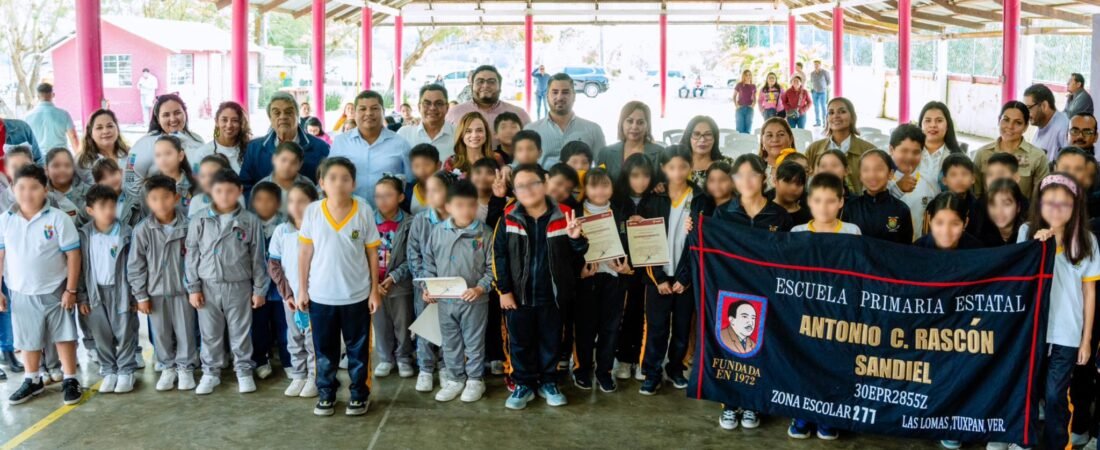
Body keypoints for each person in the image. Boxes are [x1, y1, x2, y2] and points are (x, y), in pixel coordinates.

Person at [1014, 173, 1099, 450]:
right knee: (1028, 389)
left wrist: (1086, 340)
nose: (1056, 209)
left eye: (1064, 203)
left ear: (1075, 206)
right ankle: (1022, 441)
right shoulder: (1028, 231)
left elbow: (1089, 293)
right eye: (1049, 202)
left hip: (1067, 333)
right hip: (1034, 328)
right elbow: (1019, 278)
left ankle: (1057, 443)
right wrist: (1037, 247)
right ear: (1039, 204)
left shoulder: (1087, 241)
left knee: (1055, 394)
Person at [493, 164, 587, 410]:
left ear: (545, 183)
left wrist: (576, 240)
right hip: (518, 297)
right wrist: (504, 290)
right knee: (520, 342)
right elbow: (498, 256)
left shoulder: (566, 215)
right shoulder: (508, 216)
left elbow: (577, 259)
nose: (528, 190)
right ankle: (523, 383)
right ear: (515, 190)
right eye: (521, 186)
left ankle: (548, 382)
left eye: (533, 183)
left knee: (551, 341)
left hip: (553, 298)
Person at [296, 157, 382, 417]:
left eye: (345, 178)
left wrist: (374, 290)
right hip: (321, 296)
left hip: (356, 295)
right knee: (324, 351)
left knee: (358, 350)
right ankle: (326, 393)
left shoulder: (363, 210)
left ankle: (359, 394)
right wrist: (302, 289)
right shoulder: (312, 211)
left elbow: (371, 253)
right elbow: (304, 253)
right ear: (321, 182)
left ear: (353, 183)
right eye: (332, 177)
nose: (339, 183)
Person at [0, 164, 83, 406]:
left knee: (64, 335)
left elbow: (73, 255)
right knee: (27, 338)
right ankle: (32, 379)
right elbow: (1, 255)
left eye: (34, 187)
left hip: (56, 289)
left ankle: (70, 378)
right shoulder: (5, 220)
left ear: (45, 189)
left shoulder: (58, 218)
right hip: (20, 290)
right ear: (13, 189)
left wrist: (71, 289)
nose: (27, 193)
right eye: (21, 187)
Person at [784, 171, 856, 439]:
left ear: (840, 202)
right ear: (808, 202)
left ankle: (828, 417)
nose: (823, 207)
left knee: (833, 364)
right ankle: (802, 414)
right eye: (817, 200)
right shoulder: (797, 232)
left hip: (838, 314)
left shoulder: (852, 233)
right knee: (803, 364)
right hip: (804, 312)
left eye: (829, 201)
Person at [184, 169, 269, 395]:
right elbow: (191, 255)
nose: (224, 196)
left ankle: (243, 371)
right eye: (218, 191)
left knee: (240, 331)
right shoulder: (200, 219)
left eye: (230, 191)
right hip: (207, 285)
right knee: (210, 332)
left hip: (239, 284)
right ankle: (211, 372)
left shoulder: (249, 221)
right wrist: (193, 287)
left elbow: (258, 257)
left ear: (240, 191)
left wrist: (259, 289)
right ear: (210, 192)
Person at [639, 145, 715, 396]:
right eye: (672, 167)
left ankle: (675, 368)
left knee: (682, 327)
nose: (678, 171)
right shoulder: (654, 199)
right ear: (663, 169)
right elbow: (645, 241)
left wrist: (686, 278)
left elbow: (701, 243)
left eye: (683, 166)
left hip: (685, 277)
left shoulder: (701, 199)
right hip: (658, 276)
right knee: (657, 328)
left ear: (691, 166)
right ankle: (652, 373)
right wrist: (658, 278)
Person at [421, 179, 494, 403]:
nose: (466, 210)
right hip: (445, 302)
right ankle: (455, 378)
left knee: (474, 341)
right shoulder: (437, 232)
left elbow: (493, 268)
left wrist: (481, 288)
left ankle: (474, 380)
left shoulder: (485, 233)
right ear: (449, 206)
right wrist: (427, 287)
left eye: (471, 205)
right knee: (450, 341)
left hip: (474, 301)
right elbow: (428, 263)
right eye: (459, 205)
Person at [128, 174, 198, 391]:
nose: (161, 203)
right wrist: (141, 295)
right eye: (154, 198)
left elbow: (197, 259)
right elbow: (135, 265)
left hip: (183, 291)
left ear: (176, 197)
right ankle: (168, 367)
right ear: (148, 201)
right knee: (161, 333)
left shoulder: (189, 226)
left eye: (166, 197)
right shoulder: (142, 230)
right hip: (155, 293)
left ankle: (186, 368)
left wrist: (194, 287)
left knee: (186, 331)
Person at [573, 167, 632, 393]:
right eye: (594, 185)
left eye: (605, 185)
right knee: (585, 327)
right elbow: (568, 249)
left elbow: (629, 246)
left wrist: (628, 267)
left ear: (612, 187)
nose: (600, 190)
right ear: (585, 188)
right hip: (587, 279)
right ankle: (582, 370)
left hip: (614, 279)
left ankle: (604, 371)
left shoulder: (620, 212)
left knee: (610, 328)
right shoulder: (575, 213)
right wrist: (579, 271)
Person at [76, 184, 138, 394]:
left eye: (112, 206)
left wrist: (135, 294)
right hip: (95, 293)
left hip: (121, 292)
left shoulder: (127, 233)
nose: (109, 211)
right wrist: (82, 297)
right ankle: (109, 369)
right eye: (103, 207)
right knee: (101, 334)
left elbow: (135, 266)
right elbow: (81, 269)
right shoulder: (84, 235)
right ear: (90, 210)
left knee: (125, 332)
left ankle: (126, 371)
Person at [266, 181, 319, 398]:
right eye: (292, 202)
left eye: (302, 202)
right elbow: (274, 265)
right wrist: (287, 294)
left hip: (315, 296)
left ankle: (314, 377)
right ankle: (299, 375)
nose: (296, 207)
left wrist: (311, 292)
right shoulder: (282, 231)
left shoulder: (317, 229)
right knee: (294, 337)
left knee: (313, 339)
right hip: (291, 298)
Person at [407, 171, 455, 393]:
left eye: (437, 190)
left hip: (452, 286)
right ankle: (426, 369)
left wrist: (448, 287)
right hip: (425, 287)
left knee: (450, 327)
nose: (431, 195)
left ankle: (446, 366)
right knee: (426, 326)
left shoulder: (460, 218)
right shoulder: (420, 220)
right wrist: (426, 287)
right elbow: (413, 255)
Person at [329, 90, 413, 203]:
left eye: (374, 108)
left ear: (383, 111)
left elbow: (410, 180)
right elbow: (329, 178)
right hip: (349, 215)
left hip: (388, 216)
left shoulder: (400, 144)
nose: (368, 113)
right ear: (355, 112)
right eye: (363, 109)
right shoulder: (340, 142)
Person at [240, 92, 330, 193]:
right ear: (270, 118)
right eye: (277, 113)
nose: (282, 116)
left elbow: (327, 186)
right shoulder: (254, 148)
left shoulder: (321, 148)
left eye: (288, 112)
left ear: (298, 116)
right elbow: (245, 186)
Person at [371, 176, 415, 379]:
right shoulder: (368, 221)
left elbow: (412, 257)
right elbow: (360, 255)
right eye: (378, 196)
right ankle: (386, 358)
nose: (383, 200)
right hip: (374, 286)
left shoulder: (409, 223)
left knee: (402, 322)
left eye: (388, 195)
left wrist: (395, 276)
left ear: (400, 197)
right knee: (380, 324)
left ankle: (404, 357)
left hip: (400, 285)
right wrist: (373, 283)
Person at [124, 93, 205, 200]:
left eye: (177, 113)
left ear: (185, 113)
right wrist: (145, 206)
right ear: (158, 119)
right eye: (166, 115)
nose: (173, 119)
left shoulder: (196, 139)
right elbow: (129, 179)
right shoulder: (144, 145)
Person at [249, 182, 288, 381]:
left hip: (281, 288)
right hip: (257, 289)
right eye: (259, 200)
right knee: (259, 327)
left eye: (269, 200)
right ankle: (261, 361)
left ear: (278, 203)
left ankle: (289, 361)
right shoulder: (248, 224)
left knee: (285, 327)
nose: (264, 204)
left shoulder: (285, 226)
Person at [525, 73, 606, 168]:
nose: (559, 97)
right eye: (555, 92)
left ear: (574, 96)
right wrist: (508, 167)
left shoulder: (593, 130)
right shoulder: (531, 130)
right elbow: (520, 165)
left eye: (565, 92)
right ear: (547, 96)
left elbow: (602, 167)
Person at [973, 101, 1050, 198]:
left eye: (1018, 122)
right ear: (998, 120)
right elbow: (976, 194)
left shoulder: (1038, 157)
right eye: (1006, 120)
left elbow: (1041, 198)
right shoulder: (982, 153)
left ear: (1025, 127)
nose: (1010, 126)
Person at [842, 150, 914, 244]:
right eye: (866, 170)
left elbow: (906, 247)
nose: (872, 175)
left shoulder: (901, 209)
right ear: (860, 175)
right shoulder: (850, 208)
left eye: (879, 169)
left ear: (890, 174)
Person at [806, 97, 874, 193]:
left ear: (852, 117)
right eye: (831, 113)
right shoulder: (813, 149)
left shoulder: (868, 150)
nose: (836, 116)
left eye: (842, 111)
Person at [446, 65, 531, 134]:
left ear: (500, 87)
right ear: (471, 86)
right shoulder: (455, 114)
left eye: (491, 81)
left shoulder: (519, 114)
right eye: (480, 81)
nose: (485, 85)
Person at [888, 124, 939, 237]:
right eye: (904, 151)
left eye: (916, 152)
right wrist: (897, 189)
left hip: (918, 248)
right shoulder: (881, 180)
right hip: (888, 247)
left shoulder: (929, 182)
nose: (910, 157)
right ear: (891, 150)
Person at [596, 101, 663, 182]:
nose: (634, 127)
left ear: (647, 126)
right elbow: (597, 183)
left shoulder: (660, 153)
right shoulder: (606, 153)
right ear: (622, 123)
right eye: (630, 121)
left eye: (640, 122)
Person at [398, 84, 456, 160]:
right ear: (419, 107)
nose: (432, 108)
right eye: (427, 103)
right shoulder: (404, 134)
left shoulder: (457, 134)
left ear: (447, 107)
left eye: (439, 103)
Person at [76, 109, 129, 185]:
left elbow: (134, 181)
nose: (105, 131)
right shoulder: (82, 162)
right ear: (90, 133)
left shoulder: (130, 154)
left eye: (110, 126)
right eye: (99, 128)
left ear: (117, 129)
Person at [917, 101, 962, 189]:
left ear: (947, 125)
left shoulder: (958, 158)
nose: (933, 125)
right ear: (920, 125)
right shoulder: (909, 154)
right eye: (928, 121)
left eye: (939, 121)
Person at [914, 193, 983, 250]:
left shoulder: (977, 250)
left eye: (954, 224)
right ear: (930, 221)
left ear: (965, 223)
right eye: (939, 223)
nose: (946, 231)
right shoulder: (917, 250)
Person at [196, 102, 250, 174]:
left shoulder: (250, 151)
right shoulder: (202, 153)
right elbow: (195, 180)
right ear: (216, 122)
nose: (229, 125)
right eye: (224, 120)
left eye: (234, 120)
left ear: (241, 124)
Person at [25, 83, 78, 151]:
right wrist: (78, 157)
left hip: (39, 158)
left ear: (38, 96)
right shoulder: (64, 114)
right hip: (60, 156)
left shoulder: (28, 117)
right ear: (53, 95)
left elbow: (26, 141)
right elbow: (73, 137)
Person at [680, 115, 730, 186]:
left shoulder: (728, 164)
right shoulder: (676, 166)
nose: (702, 140)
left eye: (708, 134)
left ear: (715, 138)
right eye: (696, 134)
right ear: (688, 137)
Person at [1024, 83, 1070, 161]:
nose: (1026, 113)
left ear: (1044, 106)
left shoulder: (1063, 127)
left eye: (1029, 108)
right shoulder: (1042, 124)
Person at [976, 178, 1026, 247]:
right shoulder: (981, 236)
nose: (999, 211)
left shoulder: (1028, 235)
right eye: (993, 204)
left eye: (1006, 204)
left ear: (1018, 207)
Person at [152, 135, 197, 210]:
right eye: (158, 155)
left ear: (180, 156)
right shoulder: (150, 186)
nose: (163, 159)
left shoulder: (194, 185)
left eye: (168, 153)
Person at [402, 144, 441, 215]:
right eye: (416, 166)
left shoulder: (450, 191)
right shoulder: (407, 194)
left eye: (427, 165)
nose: (421, 171)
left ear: (438, 165)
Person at [759, 117, 796, 187]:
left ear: (790, 139)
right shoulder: (753, 167)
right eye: (769, 135)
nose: (775, 139)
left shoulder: (801, 165)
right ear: (762, 141)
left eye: (781, 134)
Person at [771, 161, 811, 226]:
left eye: (799, 183)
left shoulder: (809, 219)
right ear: (775, 181)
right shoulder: (763, 213)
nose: (794, 188)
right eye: (788, 181)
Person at [733, 70, 757, 134]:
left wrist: (753, 105)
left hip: (749, 109)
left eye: (749, 75)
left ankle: (746, 143)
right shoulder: (739, 85)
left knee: (748, 129)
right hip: (740, 109)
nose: (748, 76)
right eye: (746, 75)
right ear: (743, 76)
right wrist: (736, 105)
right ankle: (739, 143)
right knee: (739, 129)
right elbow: (734, 96)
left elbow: (755, 98)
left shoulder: (753, 86)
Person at [809, 61, 831, 127]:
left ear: (820, 65)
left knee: (823, 107)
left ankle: (825, 123)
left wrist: (824, 87)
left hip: (823, 92)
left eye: (817, 65)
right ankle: (818, 122)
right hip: (815, 92)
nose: (816, 66)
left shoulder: (825, 72)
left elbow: (829, 81)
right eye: (815, 65)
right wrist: (812, 89)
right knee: (816, 108)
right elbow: (811, 82)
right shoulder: (812, 73)